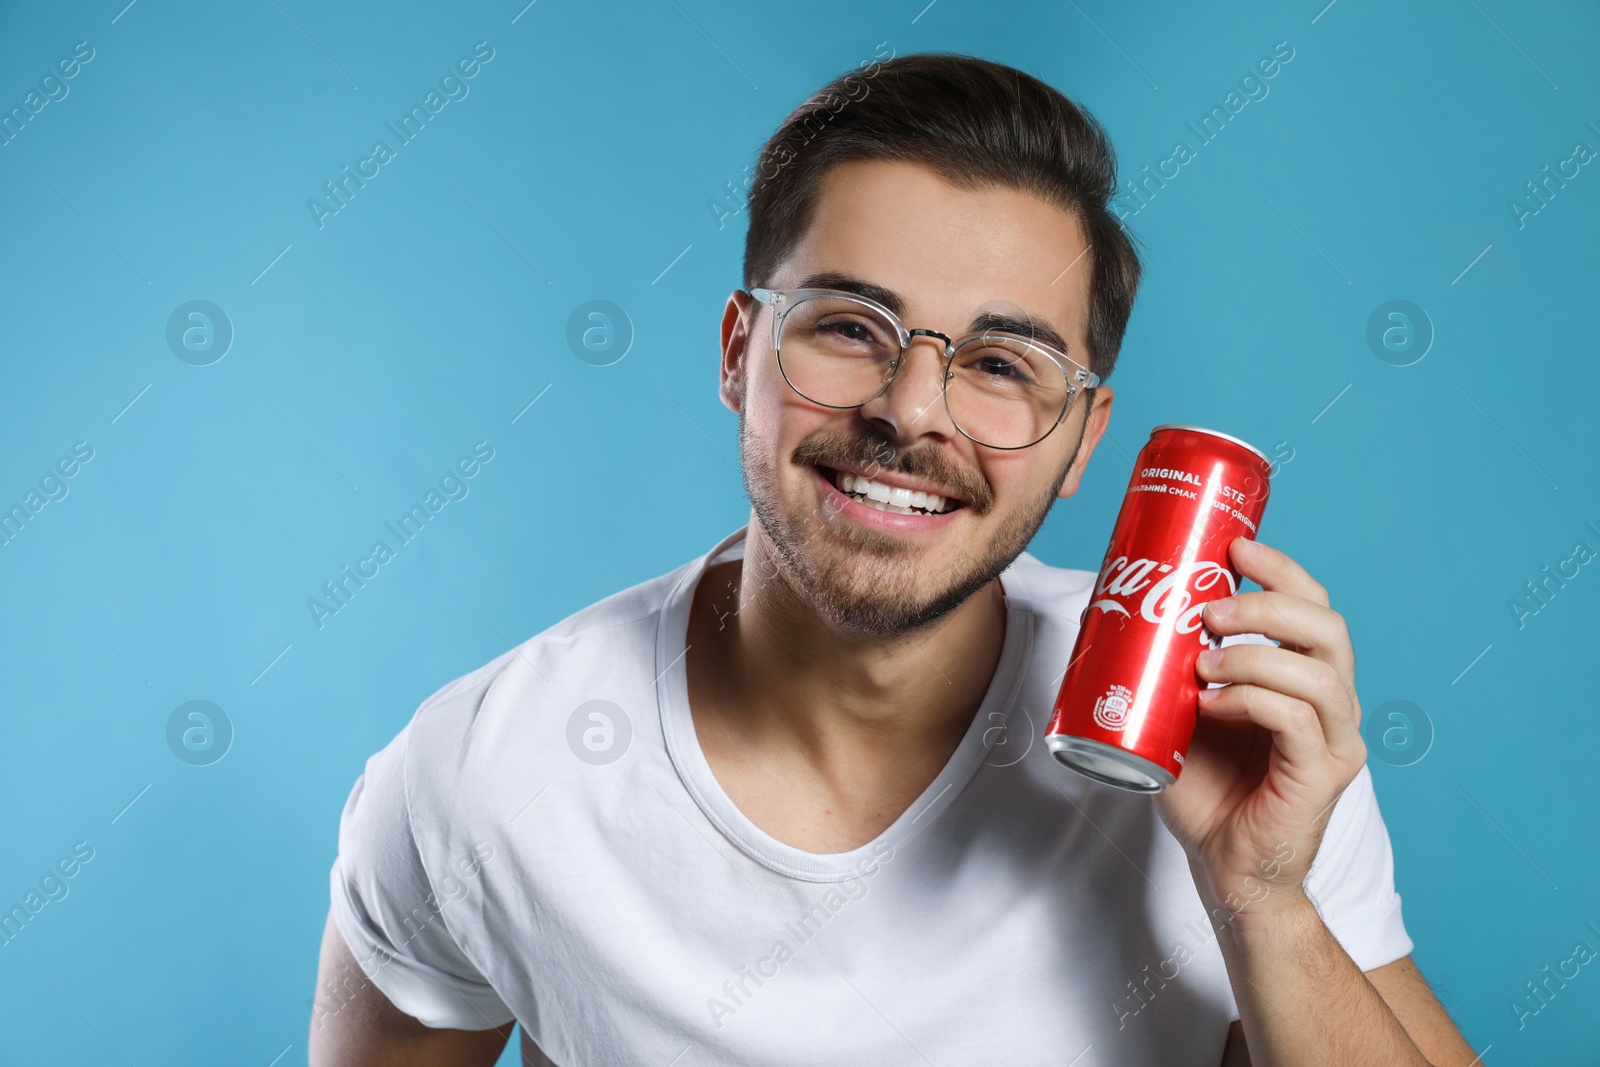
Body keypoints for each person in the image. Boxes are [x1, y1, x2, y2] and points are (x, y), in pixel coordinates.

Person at [309, 52, 1477, 1065]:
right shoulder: (478, 774)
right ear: (737, 351)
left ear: (1083, 443)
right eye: (849, 328)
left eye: (1001, 362)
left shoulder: (1214, 735)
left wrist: (1260, 897)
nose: (914, 410)